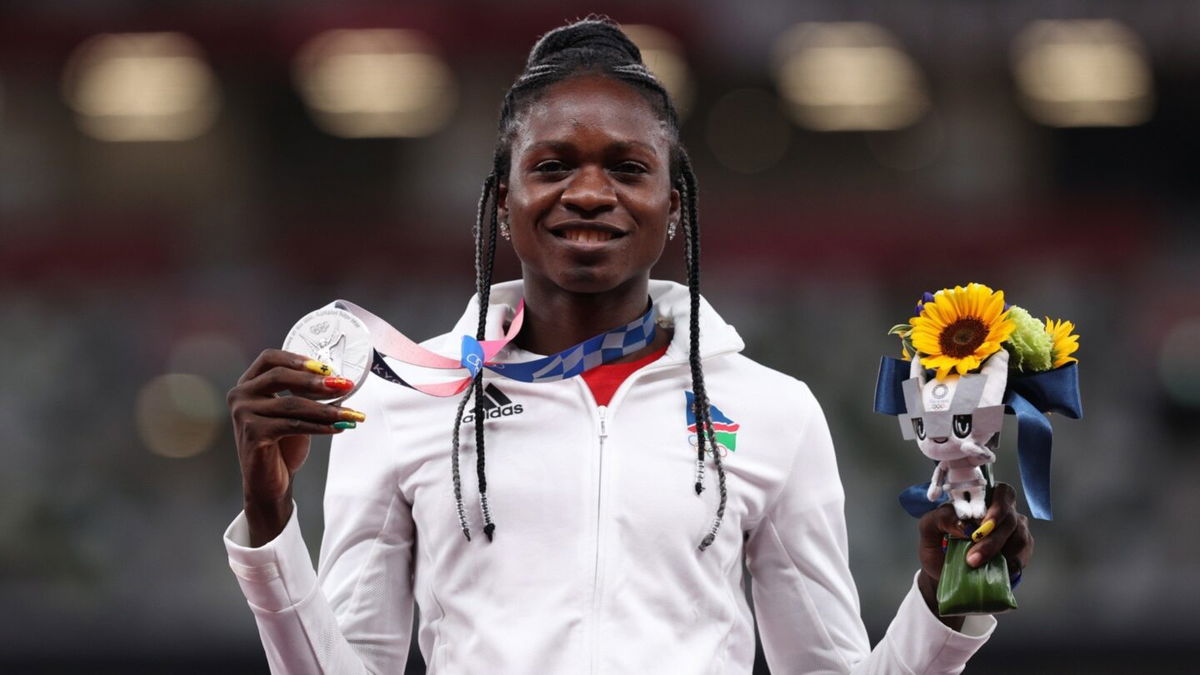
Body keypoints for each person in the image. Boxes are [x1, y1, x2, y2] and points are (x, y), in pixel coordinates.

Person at [224, 17, 1033, 674]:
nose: (587, 191)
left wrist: (944, 599)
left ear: (672, 203)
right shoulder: (406, 400)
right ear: (504, 200)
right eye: (551, 165)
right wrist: (270, 519)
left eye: (626, 166)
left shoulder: (773, 411)